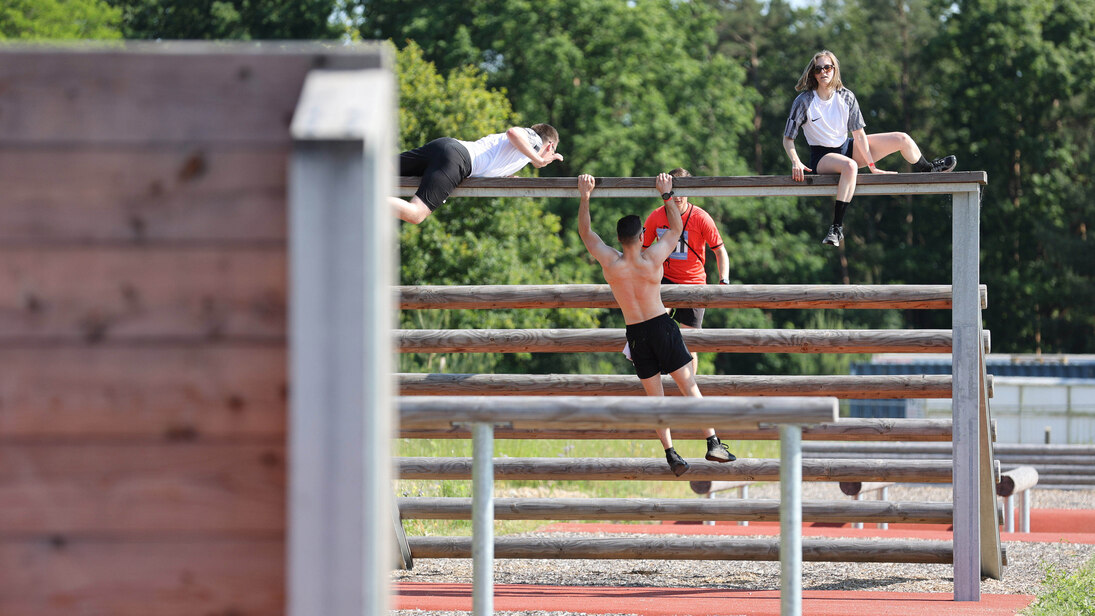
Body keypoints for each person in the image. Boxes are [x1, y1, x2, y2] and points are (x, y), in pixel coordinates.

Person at [577, 173, 735, 476]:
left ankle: (671, 452)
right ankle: (712, 441)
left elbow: (586, 233)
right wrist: (667, 195)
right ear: (640, 237)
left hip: (636, 334)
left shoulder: (611, 263)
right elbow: (676, 228)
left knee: (655, 397)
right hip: (661, 325)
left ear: (620, 239)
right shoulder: (652, 260)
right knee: (689, 384)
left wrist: (585, 197)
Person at [782, 50, 958, 247]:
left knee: (902, 138)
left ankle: (928, 168)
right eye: (818, 69)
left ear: (834, 70)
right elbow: (788, 138)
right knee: (850, 166)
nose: (823, 72)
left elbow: (859, 136)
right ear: (813, 73)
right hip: (822, 157)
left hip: (847, 147)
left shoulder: (846, 97)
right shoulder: (804, 101)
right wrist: (796, 161)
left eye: (827, 67)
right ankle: (836, 228)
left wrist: (872, 165)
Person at [640, 167, 730, 372]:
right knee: (656, 321)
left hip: (694, 283)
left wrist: (724, 279)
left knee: (690, 341)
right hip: (665, 279)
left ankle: (690, 390)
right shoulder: (656, 216)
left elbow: (720, 251)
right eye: (673, 192)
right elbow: (641, 251)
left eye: (681, 192)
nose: (677, 197)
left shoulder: (700, 217)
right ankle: (656, 371)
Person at [393, 124, 563, 224]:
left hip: (446, 146)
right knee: (416, 214)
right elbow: (513, 133)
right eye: (553, 152)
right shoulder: (535, 140)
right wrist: (539, 160)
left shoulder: (517, 158)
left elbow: (491, 161)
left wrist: (506, 177)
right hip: (457, 159)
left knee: (378, 170)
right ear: (550, 146)